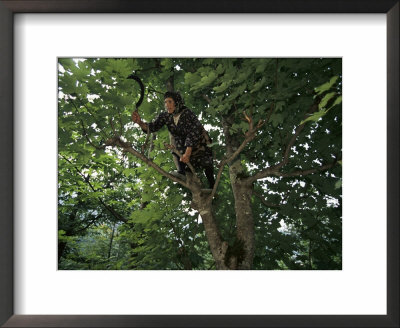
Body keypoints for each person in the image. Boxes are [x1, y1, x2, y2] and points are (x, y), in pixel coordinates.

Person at [132, 91, 215, 190]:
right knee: (177, 151)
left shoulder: (187, 113)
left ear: (177, 102)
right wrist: (140, 122)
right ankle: (182, 172)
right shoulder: (165, 116)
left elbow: (193, 133)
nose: (167, 105)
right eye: (165, 102)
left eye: (170, 102)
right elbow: (152, 127)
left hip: (199, 145)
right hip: (183, 147)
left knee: (207, 165)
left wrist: (187, 154)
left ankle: (213, 187)